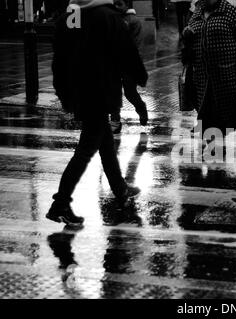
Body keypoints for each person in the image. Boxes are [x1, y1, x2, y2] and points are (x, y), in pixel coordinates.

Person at [49, 0, 148, 226]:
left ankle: (120, 188)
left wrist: (64, 93)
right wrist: (139, 76)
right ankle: (60, 204)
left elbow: (59, 61)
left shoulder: (67, 19)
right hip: (101, 92)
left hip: (79, 93)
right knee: (85, 150)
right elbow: (126, 51)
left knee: (104, 143)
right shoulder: (106, 16)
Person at [183, 0, 236, 155]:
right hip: (202, 75)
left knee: (232, 109)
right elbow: (190, 40)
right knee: (206, 112)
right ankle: (213, 148)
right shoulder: (197, 13)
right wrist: (187, 35)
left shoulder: (231, 13)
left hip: (227, 74)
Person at [110, 0, 148, 134]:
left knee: (130, 93)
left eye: (120, 4)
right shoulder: (111, 18)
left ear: (127, 5)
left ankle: (141, 108)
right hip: (113, 63)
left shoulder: (133, 21)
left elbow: (137, 45)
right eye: (115, 4)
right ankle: (115, 121)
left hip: (128, 64)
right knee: (113, 92)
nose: (116, 7)